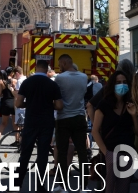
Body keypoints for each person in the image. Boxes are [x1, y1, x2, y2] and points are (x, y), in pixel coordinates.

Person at [14, 59, 63, 192]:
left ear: (36, 68)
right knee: (43, 156)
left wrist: (29, 104)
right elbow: (59, 105)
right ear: (47, 69)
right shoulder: (52, 84)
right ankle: (40, 188)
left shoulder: (27, 82)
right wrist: (48, 105)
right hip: (46, 123)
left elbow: (18, 103)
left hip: (31, 122)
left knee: (25, 154)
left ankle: (16, 185)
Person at [92, 70, 138, 193]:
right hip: (110, 151)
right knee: (109, 188)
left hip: (127, 152)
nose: (122, 85)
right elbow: (95, 131)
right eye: (118, 82)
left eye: (124, 82)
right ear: (112, 85)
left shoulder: (130, 105)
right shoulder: (104, 105)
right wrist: (106, 153)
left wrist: (134, 115)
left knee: (123, 188)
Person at [53, 54, 88, 192]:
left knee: (62, 153)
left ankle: (63, 186)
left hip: (63, 119)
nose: (59, 66)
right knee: (82, 153)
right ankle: (83, 187)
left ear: (65, 62)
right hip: (79, 117)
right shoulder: (84, 77)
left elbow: (57, 96)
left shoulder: (60, 78)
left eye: (60, 64)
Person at [0, 70, 16, 146]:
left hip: (5, 102)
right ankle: (17, 140)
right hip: (14, 102)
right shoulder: (14, 81)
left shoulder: (1, 82)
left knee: (3, 123)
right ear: (12, 73)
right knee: (15, 123)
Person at [13, 66, 26, 130]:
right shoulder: (26, 79)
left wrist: (12, 90)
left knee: (20, 127)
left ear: (17, 73)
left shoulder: (19, 81)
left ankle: (21, 140)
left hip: (20, 107)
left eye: (15, 75)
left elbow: (17, 95)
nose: (15, 77)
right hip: (26, 105)